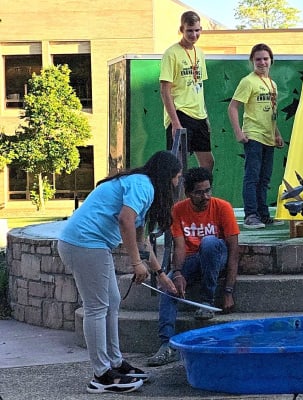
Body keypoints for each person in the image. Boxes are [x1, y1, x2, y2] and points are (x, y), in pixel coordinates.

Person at [57, 151, 181, 394]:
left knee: (112, 302)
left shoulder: (143, 188)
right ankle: (102, 375)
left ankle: (115, 363)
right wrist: (136, 264)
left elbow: (141, 240)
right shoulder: (142, 185)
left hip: (90, 244)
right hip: (84, 243)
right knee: (96, 307)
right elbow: (125, 220)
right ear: (167, 176)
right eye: (177, 177)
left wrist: (161, 275)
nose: (178, 183)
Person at [148, 167, 240, 366]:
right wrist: (178, 273)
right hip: (191, 260)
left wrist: (228, 290)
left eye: (208, 190)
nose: (206, 196)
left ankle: (206, 301)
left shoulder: (223, 207)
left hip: (217, 256)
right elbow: (180, 247)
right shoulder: (178, 210)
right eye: (199, 192)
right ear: (189, 193)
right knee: (169, 285)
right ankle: (166, 344)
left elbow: (234, 251)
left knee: (208, 242)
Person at [228, 43, 284, 229]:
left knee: (265, 177)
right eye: (258, 59)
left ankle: (264, 214)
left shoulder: (272, 84)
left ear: (271, 61)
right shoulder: (248, 81)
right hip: (253, 135)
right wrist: (239, 132)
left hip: (268, 136)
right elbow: (233, 107)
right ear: (252, 61)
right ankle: (251, 214)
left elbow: (272, 112)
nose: (262, 62)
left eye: (265, 59)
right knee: (252, 176)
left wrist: (277, 134)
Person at [160, 11, 214, 172]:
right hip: (180, 113)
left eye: (197, 30)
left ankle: (199, 196)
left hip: (199, 115)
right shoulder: (171, 53)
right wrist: (175, 123)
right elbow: (165, 90)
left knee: (208, 163)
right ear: (181, 29)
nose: (194, 34)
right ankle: (179, 198)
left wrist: (206, 117)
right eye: (189, 30)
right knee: (178, 167)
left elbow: (199, 87)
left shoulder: (200, 53)